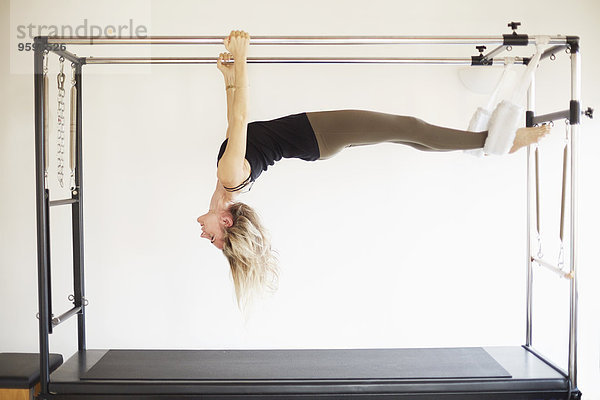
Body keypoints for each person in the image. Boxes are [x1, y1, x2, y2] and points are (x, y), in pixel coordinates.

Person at [197, 30, 551, 309]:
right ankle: (498, 142)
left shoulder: (224, 189)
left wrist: (228, 75)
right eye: (213, 238)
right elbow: (241, 119)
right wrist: (242, 59)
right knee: (410, 128)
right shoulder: (230, 179)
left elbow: (234, 125)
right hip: (320, 135)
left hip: (316, 141)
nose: (204, 235)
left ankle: (491, 142)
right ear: (226, 221)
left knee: (410, 132)